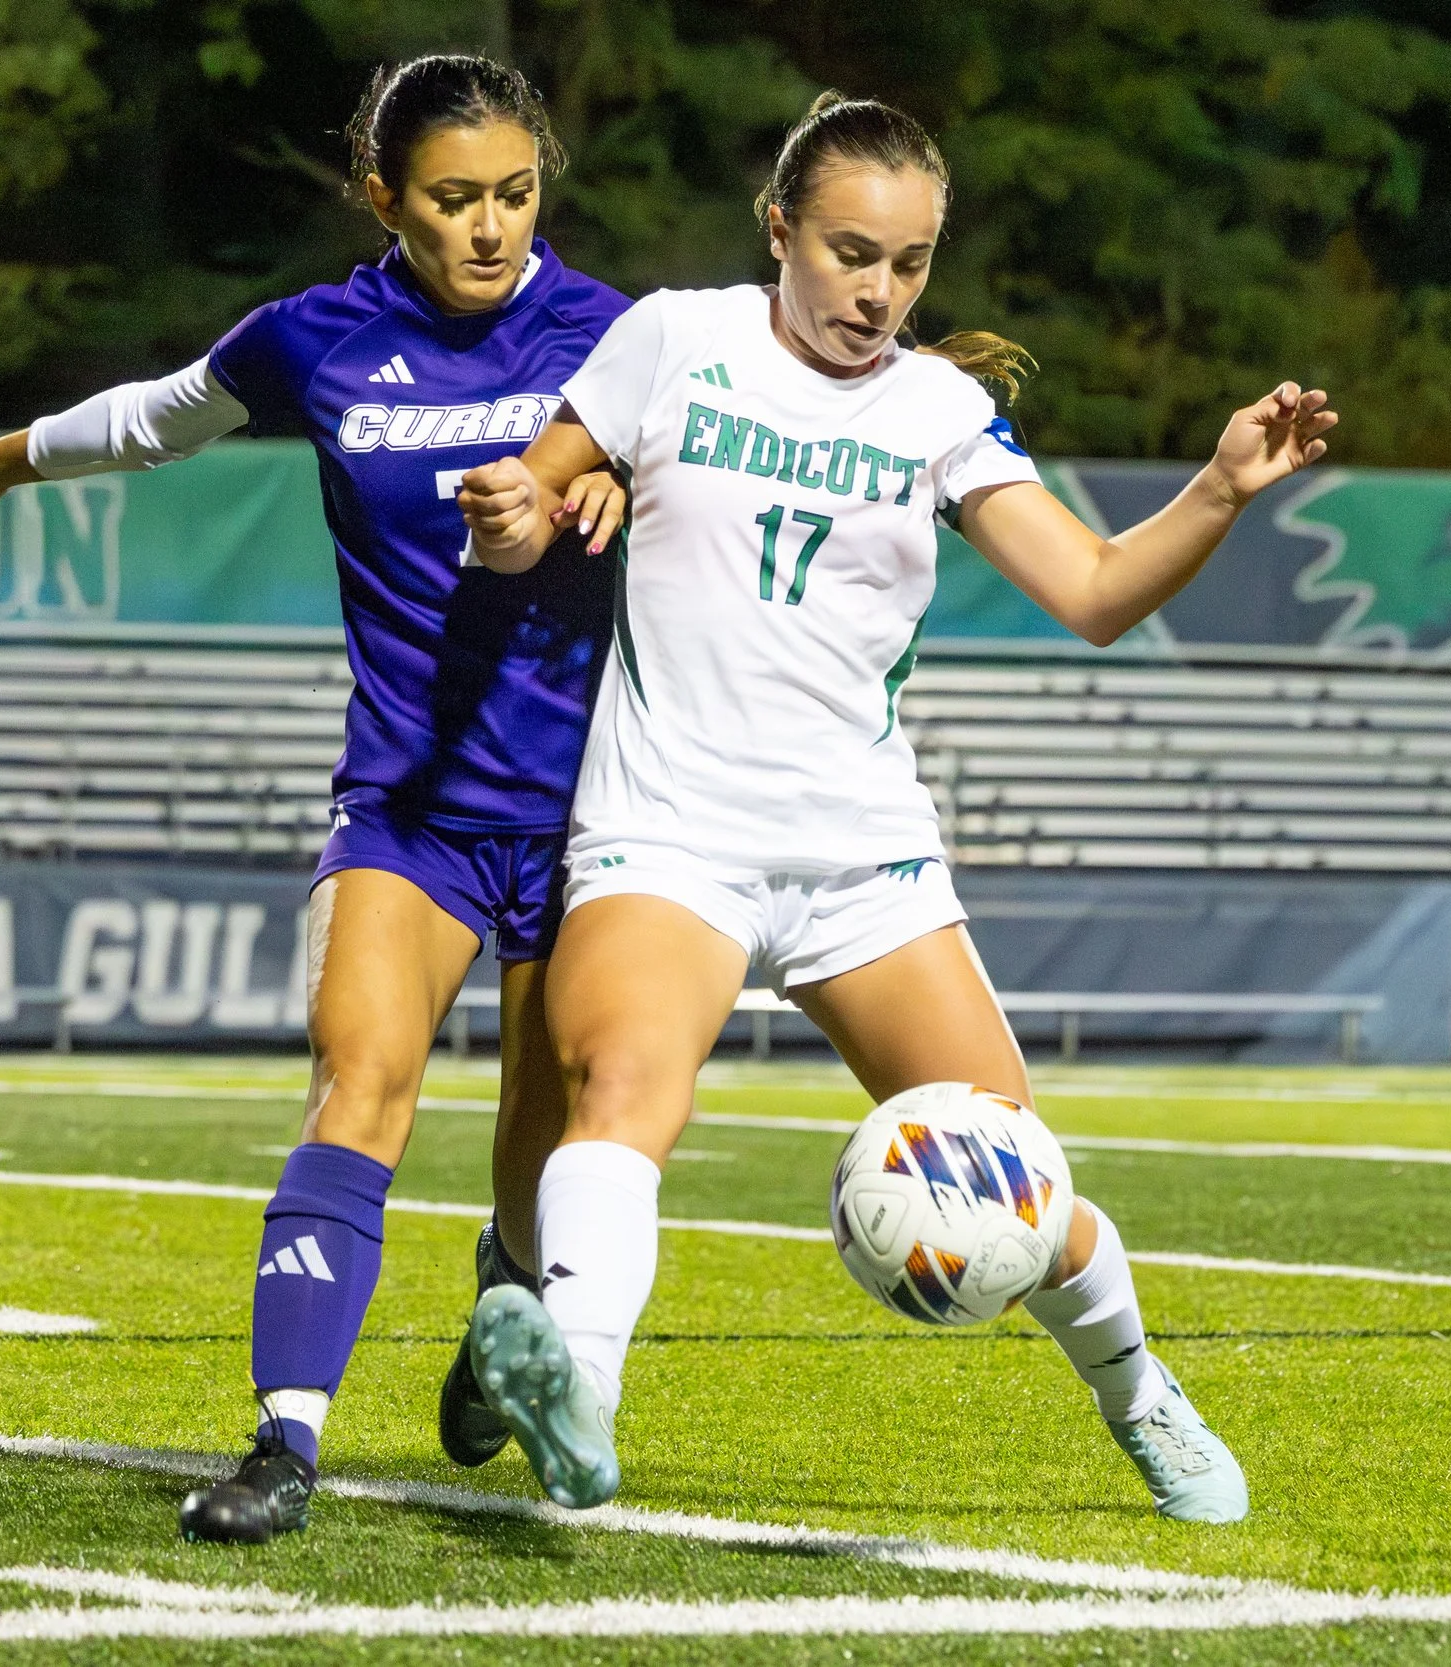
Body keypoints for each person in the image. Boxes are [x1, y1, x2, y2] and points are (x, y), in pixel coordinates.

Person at [456, 92, 1339, 1524]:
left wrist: (1221, 489)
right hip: (670, 826)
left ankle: (1141, 1397)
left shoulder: (942, 409)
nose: (878, 291)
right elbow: (528, 516)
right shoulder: (677, 338)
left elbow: (1097, 593)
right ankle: (585, 1404)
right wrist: (511, 525)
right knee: (620, 1092)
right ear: (779, 230)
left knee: (1016, 1182)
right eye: (851, 251)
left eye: (911, 263)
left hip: (863, 857)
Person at [0, 55, 632, 1543]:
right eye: (450, 198)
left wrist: (626, 488)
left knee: (552, 1150)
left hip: (602, 811)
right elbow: (160, 414)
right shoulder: (318, 340)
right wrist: (6, 454)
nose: (488, 227)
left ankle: (507, 1289)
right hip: (409, 799)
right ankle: (284, 1444)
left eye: (514, 194)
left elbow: (719, 477)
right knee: (359, 1078)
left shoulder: (622, 337)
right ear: (383, 198)